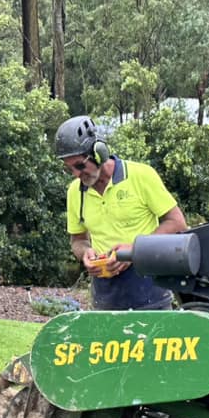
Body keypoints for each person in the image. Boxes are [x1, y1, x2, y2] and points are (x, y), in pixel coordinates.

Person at [54, 115, 187, 310]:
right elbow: (78, 240)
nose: (76, 174)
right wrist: (85, 253)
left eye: (80, 165)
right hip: (105, 296)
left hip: (149, 290)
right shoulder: (75, 192)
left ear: (99, 153)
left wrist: (134, 249)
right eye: (69, 169)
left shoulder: (141, 176)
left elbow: (177, 223)